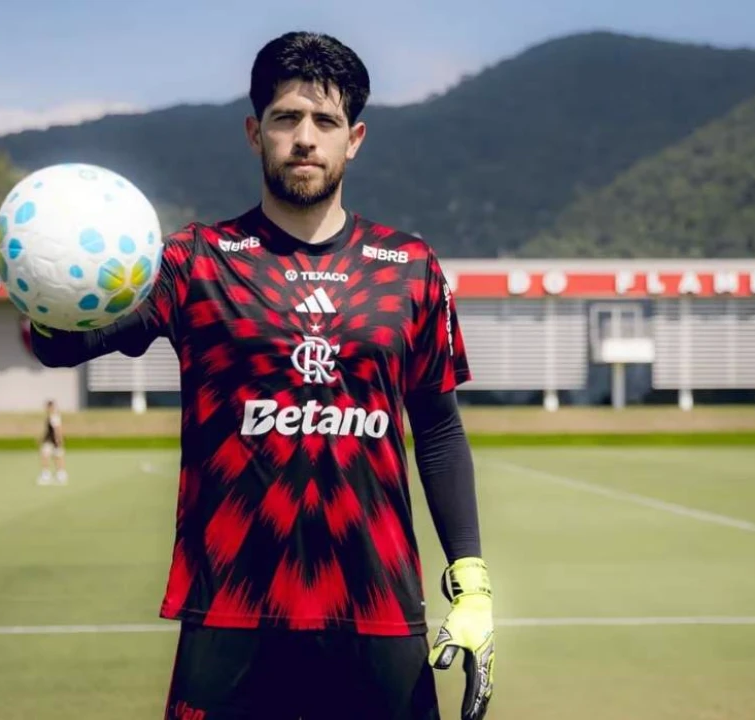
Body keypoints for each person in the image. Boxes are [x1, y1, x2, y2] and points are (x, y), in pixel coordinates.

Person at [29, 31, 494, 720]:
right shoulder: (197, 260)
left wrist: (472, 582)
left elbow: (438, 428)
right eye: (286, 118)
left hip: (377, 609)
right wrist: (42, 286)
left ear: (354, 139)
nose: (305, 137)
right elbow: (66, 346)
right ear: (255, 132)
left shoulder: (410, 268)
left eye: (325, 121)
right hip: (232, 612)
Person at [37, 399, 67, 485]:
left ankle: (59, 474)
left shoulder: (55, 417)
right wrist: (42, 438)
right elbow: (48, 430)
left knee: (56, 456)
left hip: (53, 440)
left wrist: (58, 439)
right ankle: (49, 474)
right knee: (46, 455)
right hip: (49, 440)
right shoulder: (50, 416)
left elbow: (58, 429)